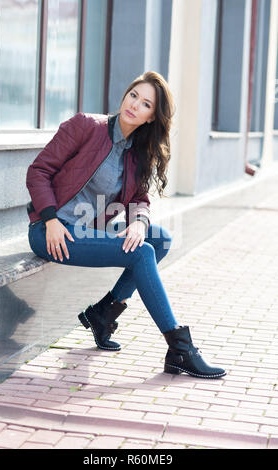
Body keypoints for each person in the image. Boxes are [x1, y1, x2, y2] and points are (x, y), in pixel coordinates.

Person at [26, 71, 226, 379]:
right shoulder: (84, 126)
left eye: (146, 104)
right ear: (125, 94)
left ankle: (104, 313)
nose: (135, 105)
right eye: (134, 95)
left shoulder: (135, 152)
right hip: (52, 231)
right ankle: (179, 348)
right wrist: (50, 219)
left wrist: (139, 224)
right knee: (142, 254)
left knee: (159, 240)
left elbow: (140, 200)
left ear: (151, 117)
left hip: (89, 230)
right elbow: (38, 172)